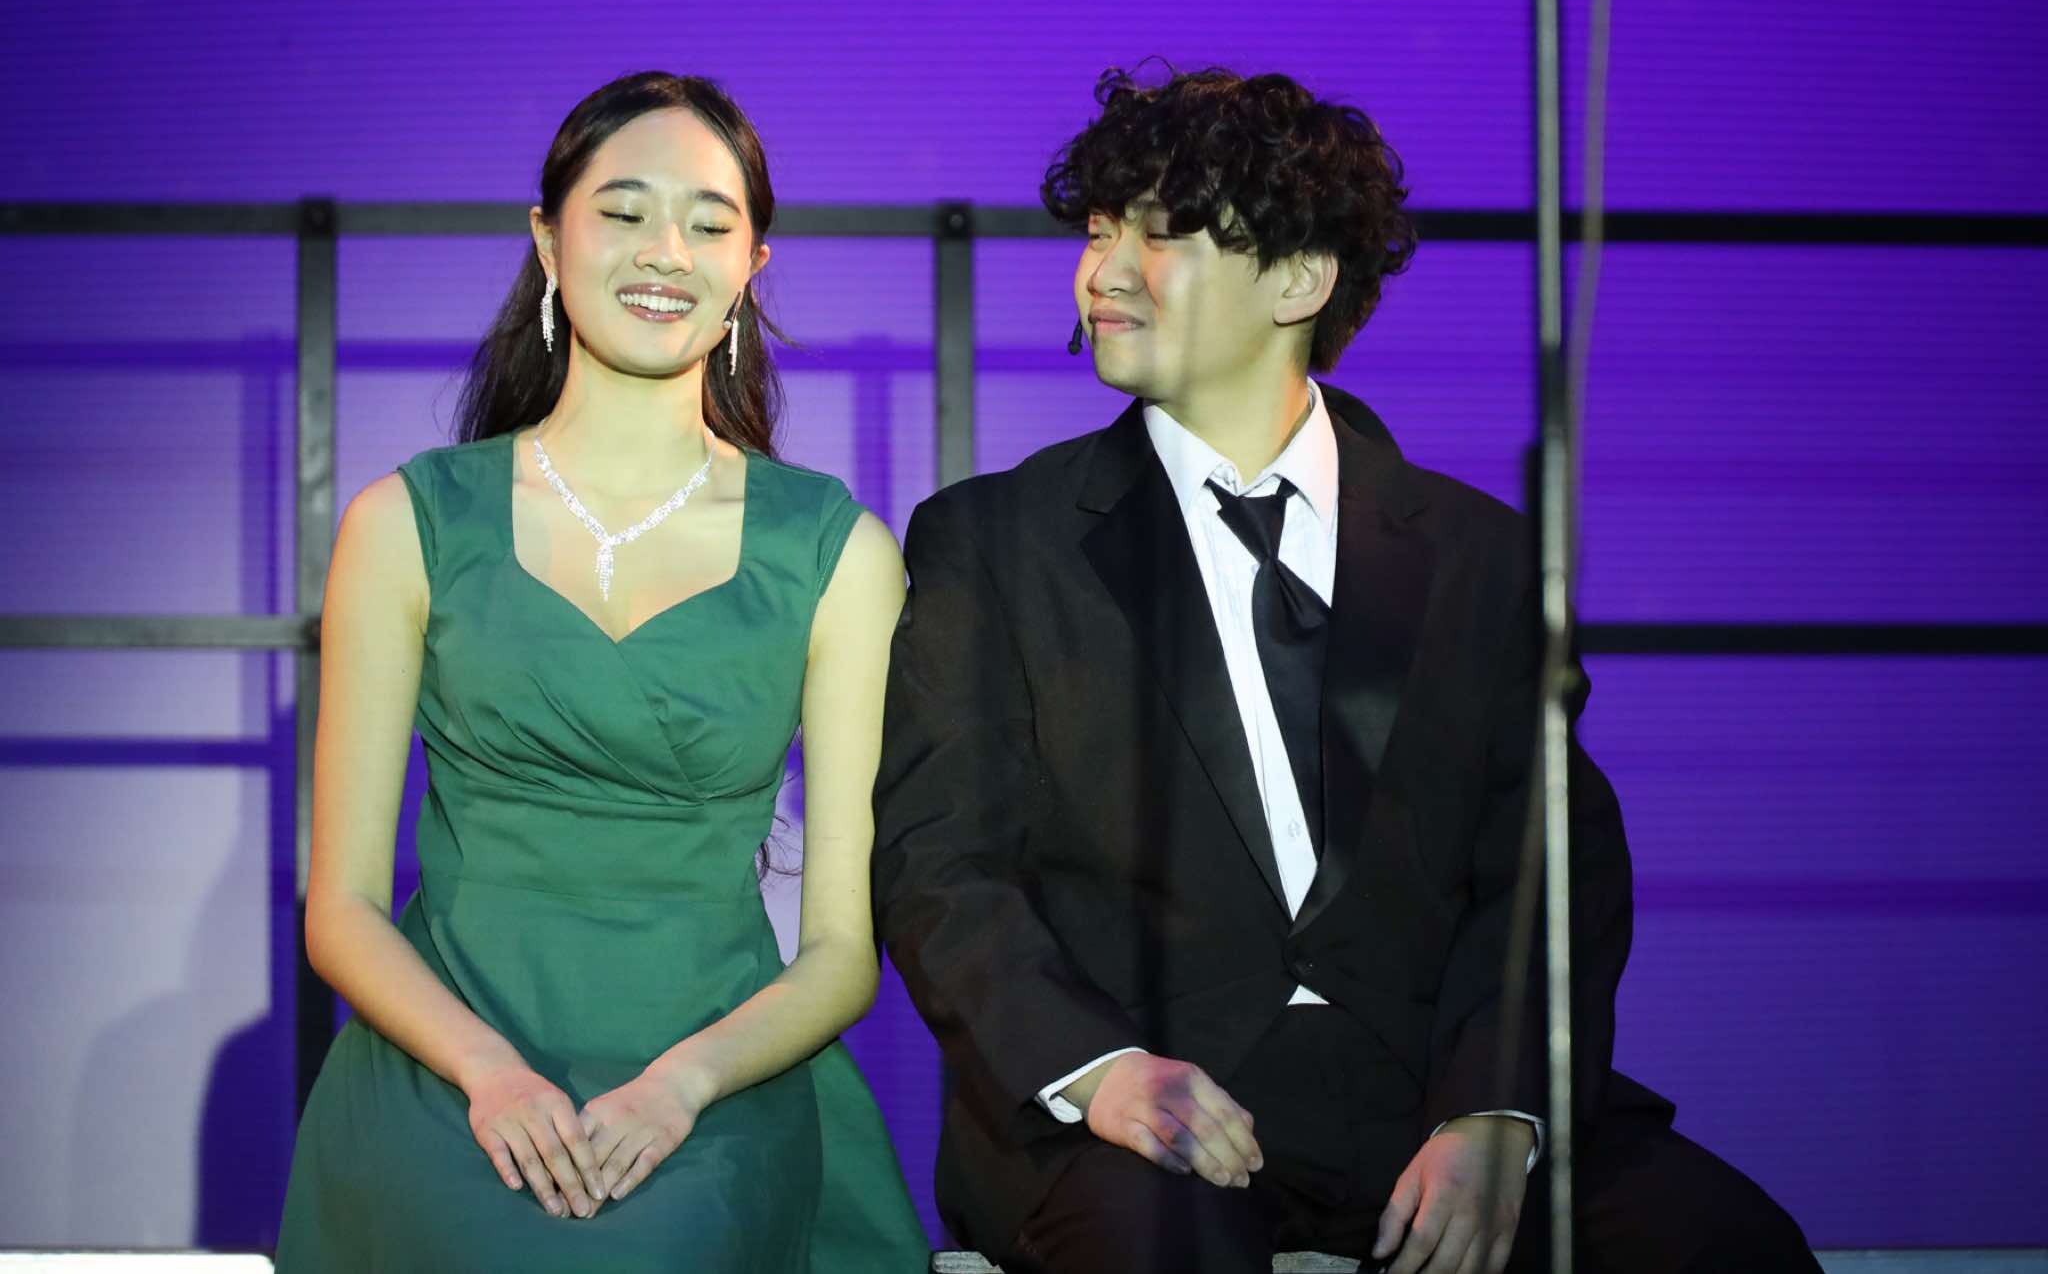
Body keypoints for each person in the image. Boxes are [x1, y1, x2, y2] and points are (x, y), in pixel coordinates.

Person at [871, 66, 1820, 1274]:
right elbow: (939, 862)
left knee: (1728, 1249)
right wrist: (1098, 1072)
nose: (1101, 273)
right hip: (1144, 1110)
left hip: (1427, 1091)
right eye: (1099, 231)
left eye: (1160, 235)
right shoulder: (996, 540)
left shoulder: (1477, 555)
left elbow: (1548, 867)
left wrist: (1496, 1111)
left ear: (1299, 279)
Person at [275, 71, 926, 1271]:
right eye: (623, 213)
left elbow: (842, 953)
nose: (663, 252)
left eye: (708, 225)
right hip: (449, 1063)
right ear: (547, 241)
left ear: (751, 267)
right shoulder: (407, 522)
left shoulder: (832, 551)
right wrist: (489, 1074)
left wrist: (684, 1085)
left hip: (715, 1074)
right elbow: (343, 912)